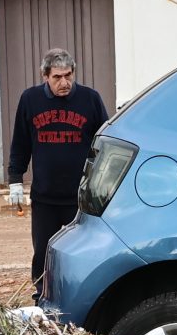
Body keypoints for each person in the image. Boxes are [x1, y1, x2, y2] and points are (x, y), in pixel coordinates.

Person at [7, 48, 108, 287]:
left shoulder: (89, 99)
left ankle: (84, 292)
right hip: (45, 196)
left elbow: (103, 143)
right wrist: (15, 179)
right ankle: (41, 292)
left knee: (83, 251)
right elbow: (20, 142)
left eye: (68, 75)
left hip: (80, 195)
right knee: (44, 252)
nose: (64, 82)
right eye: (57, 77)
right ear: (45, 76)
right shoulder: (30, 100)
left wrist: (103, 182)